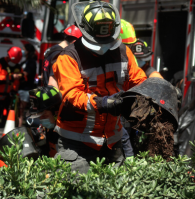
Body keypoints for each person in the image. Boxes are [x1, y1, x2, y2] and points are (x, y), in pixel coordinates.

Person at [52, 1, 147, 173]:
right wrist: (103, 103)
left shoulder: (124, 52)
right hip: (77, 143)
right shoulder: (69, 57)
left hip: (113, 141)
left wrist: (157, 89)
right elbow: (71, 95)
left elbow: (139, 81)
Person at [27, 86, 62, 157]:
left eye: (44, 116)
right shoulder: (47, 130)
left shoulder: (67, 132)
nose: (41, 119)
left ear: (56, 112)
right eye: (39, 116)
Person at [18, 43, 37, 127]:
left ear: (28, 51)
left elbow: (26, 73)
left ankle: (19, 127)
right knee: (19, 110)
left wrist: (17, 75)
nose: (22, 51)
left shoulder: (31, 62)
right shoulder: (25, 61)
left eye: (24, 49)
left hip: (26, 88)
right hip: (21, 88)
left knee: (21, 110)